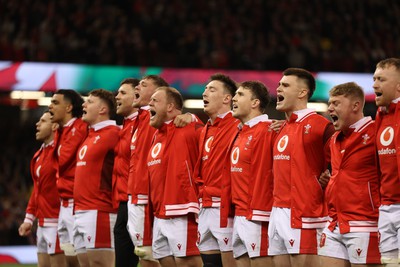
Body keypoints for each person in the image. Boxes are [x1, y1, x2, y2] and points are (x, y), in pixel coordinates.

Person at [269, 68, 335, 267]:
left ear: (302, 93)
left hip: (305, 213)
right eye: (279, 84)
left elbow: (341, 161)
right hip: (277, 212)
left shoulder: (321, 126)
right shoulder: (281, 127)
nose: (278, 88)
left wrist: (329, 176)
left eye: (285, 85)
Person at [318, 82, 381, 266]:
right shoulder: (335, 139)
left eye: (336, 103)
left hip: (364, 223)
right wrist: (331, 182)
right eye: (330, 103)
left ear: (355, 106)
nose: (330, 108)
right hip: (333, 223)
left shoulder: (376, 132)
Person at [147, 86, 203, 267]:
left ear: (170, 107)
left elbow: (211, 133)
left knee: (188, 263)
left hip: (182, 210)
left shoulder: (189, 127)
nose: (150, 103)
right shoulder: (156, 136)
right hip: (159, 213)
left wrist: (193, 117)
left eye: (155, 100)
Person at [228, 81, 276, 267]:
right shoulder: (240, 132)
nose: (234, 98)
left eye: (240, 95)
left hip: (259, 215)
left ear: (255, 102)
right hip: (239, 214)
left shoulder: (269, 129)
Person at [193, 73, 238, 267]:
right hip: (205, 205)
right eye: (205, 89)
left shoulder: (239, 124)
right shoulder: (205, 129)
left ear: (227, 98)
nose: (205, 92)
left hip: (226, 208)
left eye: (212, 89)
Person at [73, 89, 120, 267]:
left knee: (101, 264)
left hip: (100, 210)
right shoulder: (89, 135)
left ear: (102, 110)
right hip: (79, 211)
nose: (84, 105)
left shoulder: (115, 132)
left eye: (89, 102)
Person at [127, 75, 169, 267]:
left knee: (149, 255)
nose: (137, 86)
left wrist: (188, 116)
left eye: (143, 85)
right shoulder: (140, 119)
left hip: (145, 197)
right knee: (144, 254)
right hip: (135, 195)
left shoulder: (155, 120)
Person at [18, 111, 67, 267]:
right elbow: (37, 190)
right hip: (42, 224)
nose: (37, 124)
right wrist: (28, 219)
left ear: (54, 126)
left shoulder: (61, 153)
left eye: (43, 121)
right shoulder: (39, 155)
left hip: (58, 222)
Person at [48, 89, 88, 267]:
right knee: (70, 258)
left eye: (55, 102)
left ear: (69, 107)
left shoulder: (80, 127)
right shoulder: (64, 131)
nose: (50, 106)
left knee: (82, 259)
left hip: (76, 202)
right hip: (64, 202)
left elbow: (63, 160)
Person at [373, 58, 400, 267]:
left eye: (381, 79)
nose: (374, 85)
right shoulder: (382, 115)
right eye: (374, 79)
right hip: (386, 206)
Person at [112, 78, 140, 267]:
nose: (117, 96)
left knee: (150, 260)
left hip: (140, 202)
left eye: (123, 93)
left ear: (137, 96)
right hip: (123, 204)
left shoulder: (147, 123)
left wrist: (190, 117)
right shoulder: (122, 128)